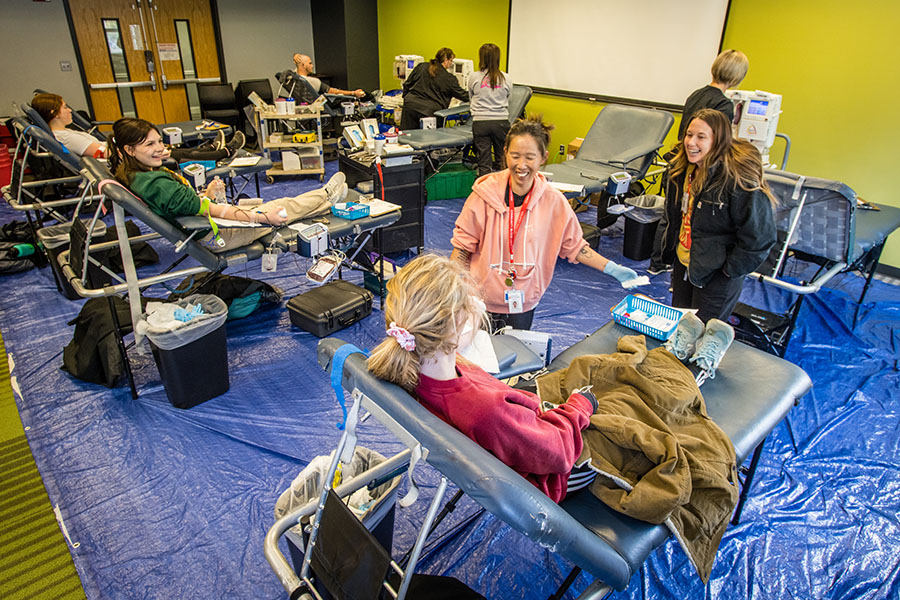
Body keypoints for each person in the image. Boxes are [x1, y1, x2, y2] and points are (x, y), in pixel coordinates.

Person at [366, 253, 597, 503]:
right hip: (554, 473)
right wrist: (581, 406)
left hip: (520, 432)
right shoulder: (486, 410)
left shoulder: (409, 369)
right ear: (455, 328)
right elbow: (560, 453)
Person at [450, 115, 641, 331]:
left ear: (543, 158)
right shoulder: (483, 195)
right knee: (478, 360)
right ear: (505, 154)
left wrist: (611, 268)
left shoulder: (553, 201)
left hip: (522, 303)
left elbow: (574, 246)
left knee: (515, 358)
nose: (521, 165)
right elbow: (462, 246)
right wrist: (455, 286)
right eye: (515, 156)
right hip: (479, 300)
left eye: (530, 157)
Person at [107, 118, 347, 252]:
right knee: (283, 207)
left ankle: (326, 200)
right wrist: (265, 219)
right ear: (129, 149)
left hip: (204, 228)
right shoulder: (156, 183)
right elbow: (214, 211)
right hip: (217, 236)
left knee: (275, 205)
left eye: (159, 141)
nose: (159, 148)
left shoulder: (137, 175)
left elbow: (190, 205)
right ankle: (327, 196)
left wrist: (206, 195)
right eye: (149, 145)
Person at [658, 108, 776, 324]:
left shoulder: (738, 180)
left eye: (701, 137)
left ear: (718, 141)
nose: (691, 142)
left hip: (717, 274)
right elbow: (674, 218)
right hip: (685, 263)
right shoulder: (680, 171)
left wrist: (728, 271)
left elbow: (760, 238)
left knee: (703, 332)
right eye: (689, 134)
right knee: (679, 327)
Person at [649, 50, 749, 275]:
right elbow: (717, 141)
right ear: (737, 76)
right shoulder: (723, 104)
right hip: (695, 168)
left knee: (671, 213)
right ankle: (677, 263)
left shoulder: (695, 94)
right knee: (686, 215)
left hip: (679, 162)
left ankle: (659, 261)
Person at [31, 93, 245, 162]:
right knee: (177, 155)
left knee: (177, 151)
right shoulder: (66, 137)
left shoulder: (63, 133)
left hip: (125, 153)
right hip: (124, 159)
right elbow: (102, 154)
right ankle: (223, 152)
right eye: (64, 107)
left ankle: (212, 149)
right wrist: (139, 149)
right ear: (53, 113)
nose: (69, 110)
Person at [468, 43, 512, 177]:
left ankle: (485, 192)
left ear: (481, 58)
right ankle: (504, 190)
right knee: (502, 160)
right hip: (501, 122)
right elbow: (509, 99)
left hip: (480, 122)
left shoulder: (474, 77)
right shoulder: (506, 78)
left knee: (484, 161)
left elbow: (470, 97)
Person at [399, 47, 468, 131]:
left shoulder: (421, 67)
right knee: (427, 140)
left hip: (410, 106)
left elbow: (407, 84)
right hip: (429, 113)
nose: (451, 64)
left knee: (406, 137)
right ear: (446, 60)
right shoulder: (448, 78)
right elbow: (462, 95)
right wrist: (476, 94)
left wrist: (406, 98)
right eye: (451, 61)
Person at [289, 54, 365, 102]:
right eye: (310, 63)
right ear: (303, 65)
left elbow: (296, 68)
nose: (312, 66)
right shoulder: (313, 81)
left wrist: (295, 56)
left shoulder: (292, 78)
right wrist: (353, 93)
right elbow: (334, 91)